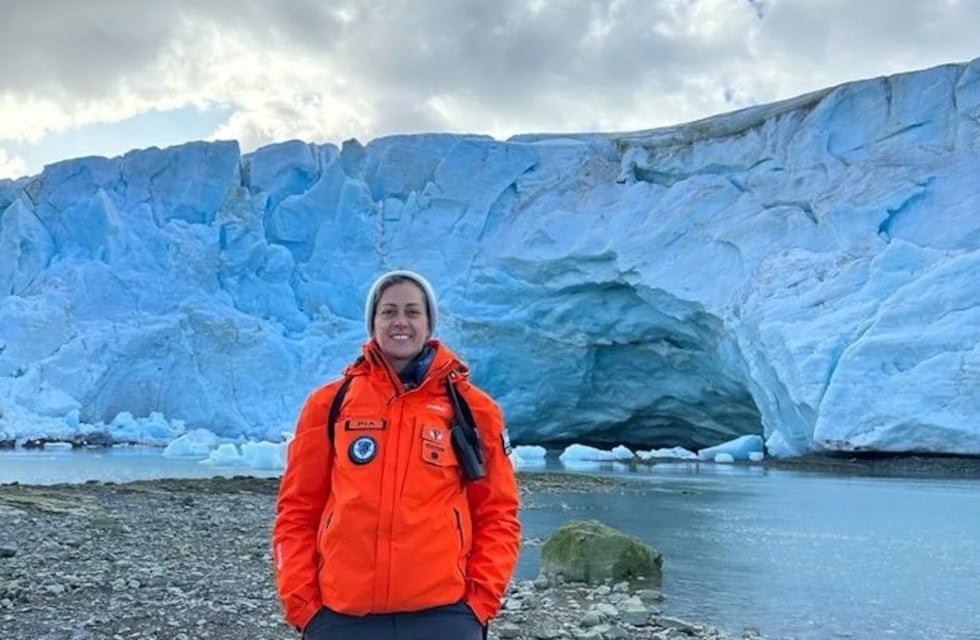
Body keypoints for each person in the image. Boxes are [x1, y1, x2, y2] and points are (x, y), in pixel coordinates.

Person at [273, 270, 522, 640]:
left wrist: (479, 603)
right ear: (373, 322)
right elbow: (297, 510)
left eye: (412, 312)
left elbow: (498, 512)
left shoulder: (472, 409)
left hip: (444, 615)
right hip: (342, 615)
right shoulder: (329, 405)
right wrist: (304, 606)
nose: (400, 322)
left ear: (429, 323)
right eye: (388, 312)